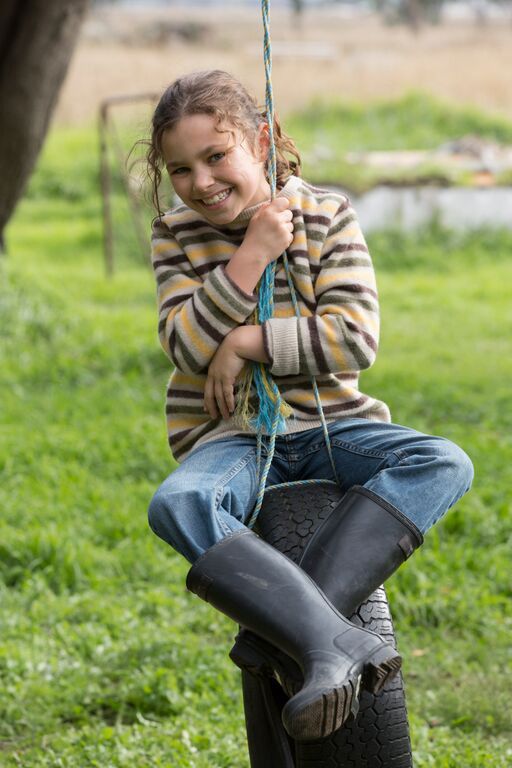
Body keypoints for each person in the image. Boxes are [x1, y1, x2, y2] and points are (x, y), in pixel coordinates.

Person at [145, 70, 473, 742]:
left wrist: (246, 341)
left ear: (262, 141)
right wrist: (251, 257)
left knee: (444, 462)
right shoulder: (175, 234)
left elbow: (353, 338)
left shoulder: (325, 214)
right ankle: (330, 641)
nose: (201, 182)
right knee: (178, 504)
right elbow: (183, 344)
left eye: (216, 156)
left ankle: (284, 636)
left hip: (334, 428)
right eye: (180, 169)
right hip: (233, 438)